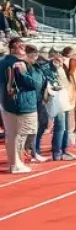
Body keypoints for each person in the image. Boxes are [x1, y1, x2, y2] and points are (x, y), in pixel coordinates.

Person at [1, 37, 41, 173]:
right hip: (22, 104)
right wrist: (25, 72)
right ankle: (16, 163)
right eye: (20, 46)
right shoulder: (20, 64)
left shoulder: (3, 62)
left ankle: (15, 163)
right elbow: (34, 84)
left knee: (12, 135)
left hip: (6, 103)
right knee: (22, 133)